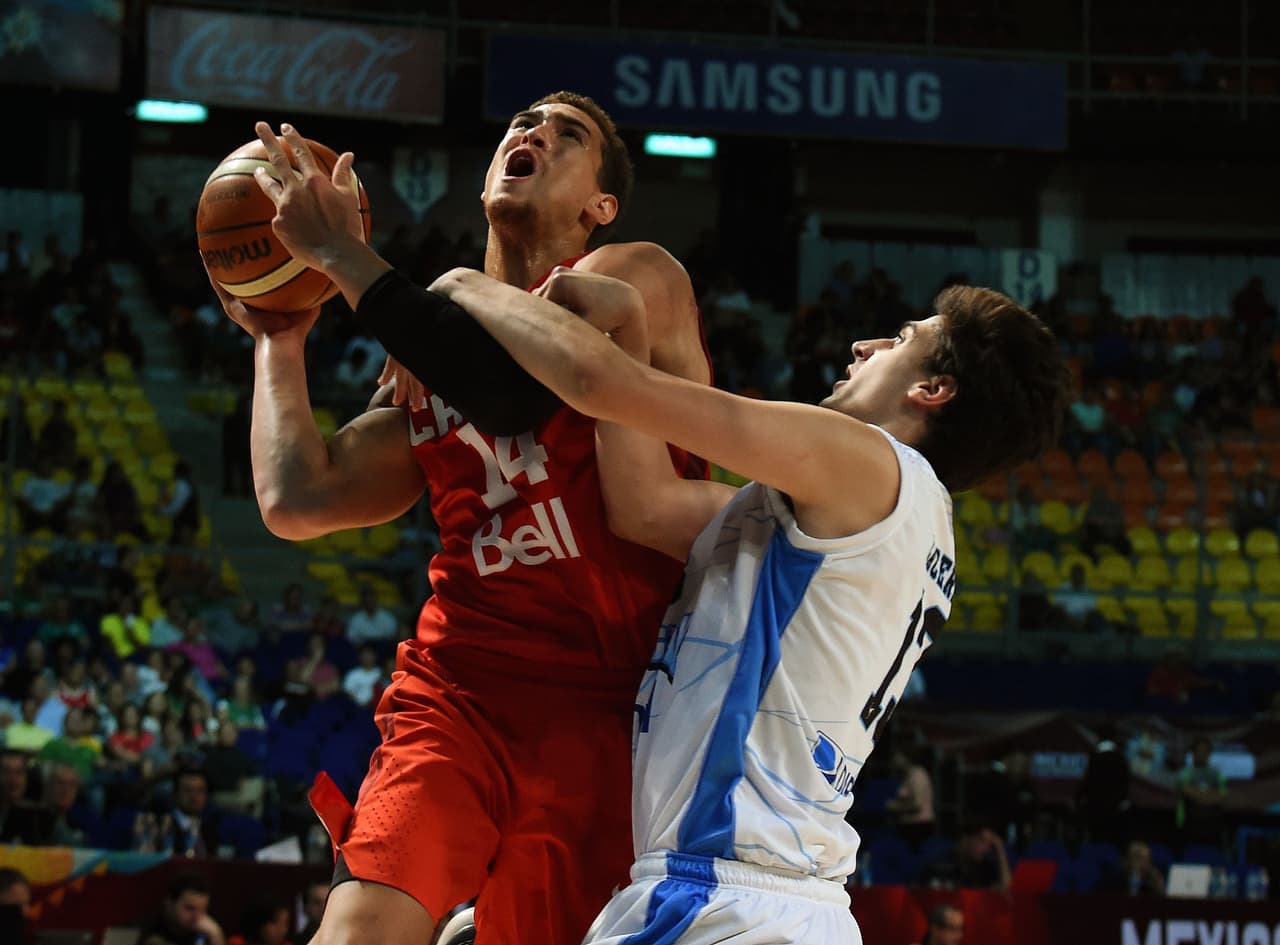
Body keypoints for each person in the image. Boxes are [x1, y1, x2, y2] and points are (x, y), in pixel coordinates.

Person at [425, 264, 1066, 939]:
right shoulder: (883, 521)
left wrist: (463, 284)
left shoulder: (867, 461)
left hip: (725, 893)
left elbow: (604, 386)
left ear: (931, 390)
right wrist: (631, 327)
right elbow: (645, 506)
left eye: (899, 339)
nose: (864, 347)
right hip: (788, 900)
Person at [206, 92, 710, 945]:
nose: (532, 131)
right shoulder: (428, 342)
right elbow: (300, 498)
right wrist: (279, 336)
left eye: (568, 133)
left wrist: (348, 258)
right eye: (520, 122)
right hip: (460, 687)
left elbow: (515, 389)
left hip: (614, 704)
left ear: (600, 205)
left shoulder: (637, 275)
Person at [136, 871, 225, 945]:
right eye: (190, 908)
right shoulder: (153, 935)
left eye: (203, 909)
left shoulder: (201, 931)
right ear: (169, 904)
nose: (197, 917)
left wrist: (216, 936)